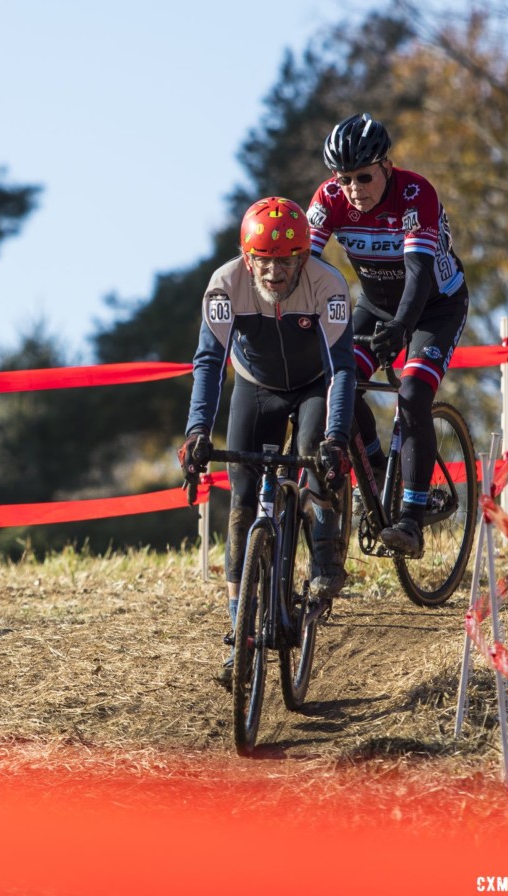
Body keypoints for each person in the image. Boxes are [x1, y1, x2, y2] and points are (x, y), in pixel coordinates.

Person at [178, 196, 356, 688]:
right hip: (255, 386)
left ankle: (324, 542)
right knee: (240, 498)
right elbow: (209, 364)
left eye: (286, 261)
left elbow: (343, 368)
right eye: (264, 261)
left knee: (318, 455)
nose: (275, 273)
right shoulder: (224, 285)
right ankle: (238, 626)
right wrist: (197, 432)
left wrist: (337, 438)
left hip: (314, 384)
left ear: (304, 257)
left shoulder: (329, 284)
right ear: (247, 257)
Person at [308, 112, 470, 557]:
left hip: (436, 306)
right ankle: (377, 473)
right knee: (337, 383)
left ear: (386, 166)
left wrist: (401, 327)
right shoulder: (329, 199)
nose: (354, 190)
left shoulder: (415, 193)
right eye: (345, 180)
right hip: (376, 306)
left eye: (364, 177)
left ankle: (412, 520)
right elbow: (301, 265)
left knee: (413, 393)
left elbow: (418, 275)